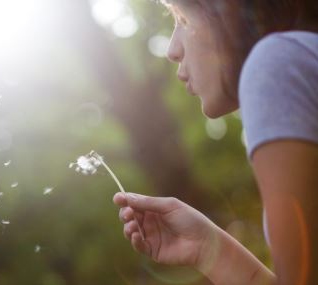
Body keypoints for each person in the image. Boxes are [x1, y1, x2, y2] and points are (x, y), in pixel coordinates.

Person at [113, 1, 318, 284]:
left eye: (183, 20)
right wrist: (208, 248)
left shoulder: (277, 65)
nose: (172, 50)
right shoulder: (303, 57)